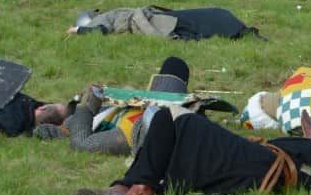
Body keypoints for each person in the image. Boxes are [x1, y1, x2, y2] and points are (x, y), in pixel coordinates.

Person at [70, 109, 311, 195]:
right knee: (169, 127)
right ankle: (130, 187)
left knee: (182, 124)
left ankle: (137, 189)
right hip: (261, 158)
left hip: (266, 168)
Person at [35, 57, 193, 153]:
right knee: (175, 65)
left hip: (147, 115)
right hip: (142, 127)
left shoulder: (79, 119)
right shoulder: (80, 118)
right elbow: (83, 145)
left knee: (174, 64)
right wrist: (87, 105)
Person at [67, 6, 260, 40]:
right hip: (156, 20)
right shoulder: (106, 18)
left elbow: (100, 30)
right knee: (202, 21)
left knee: (202, 21)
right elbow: (100, 31)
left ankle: (236, 30)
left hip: (155, 20)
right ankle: (237, 30)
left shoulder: (104, 19)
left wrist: (77, 30)